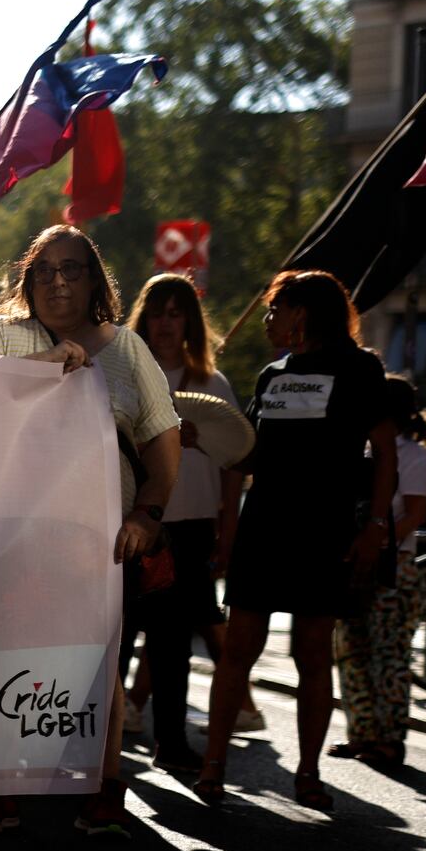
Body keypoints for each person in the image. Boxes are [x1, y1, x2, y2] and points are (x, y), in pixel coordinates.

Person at [0, 225, 181, 838]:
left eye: (72, 269)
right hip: (6, 532)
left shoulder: (127, 351)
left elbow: (162, 442)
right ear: (27, 281)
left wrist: (148, 514)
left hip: (96, 538)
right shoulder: (2, 337)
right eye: (44, 270)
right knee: (2, 652)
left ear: (94, 282)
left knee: (97, 660)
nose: (58, 281)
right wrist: (43, 367)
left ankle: (104, 785)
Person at [199, 271, 396, 813]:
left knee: (312, 652)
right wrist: (209, 440)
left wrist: (374, 527)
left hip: (324, 530)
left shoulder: (360, 369)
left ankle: (308, 775)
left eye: (273, 310)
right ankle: (212, 766)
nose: (267, 321)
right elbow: (251, 458)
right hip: (265, 528)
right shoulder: (270, 376)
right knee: (237, 649)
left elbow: (385, 453)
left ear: (302, 313)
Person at [121, 273, 248, 778]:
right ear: (144, 319)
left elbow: (236, 460)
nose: (167, 323)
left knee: (173, 648)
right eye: (158, 312)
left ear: (190, 322)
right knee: (118, 640)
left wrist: (228, 530)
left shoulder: (213, 386)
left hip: (190, 529)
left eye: (177, 313)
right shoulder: (125, 377)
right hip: (132, 526)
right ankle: (94, 750)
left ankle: (171, 742)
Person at [330, 374, 426, 769]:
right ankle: (361, 734)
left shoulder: (414, 455)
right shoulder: (362, 451)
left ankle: (388, 739)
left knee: (388, 655)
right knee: (351, 650)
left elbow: (417, 512)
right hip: (356, 564)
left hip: (394, 566)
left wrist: (381, 541)